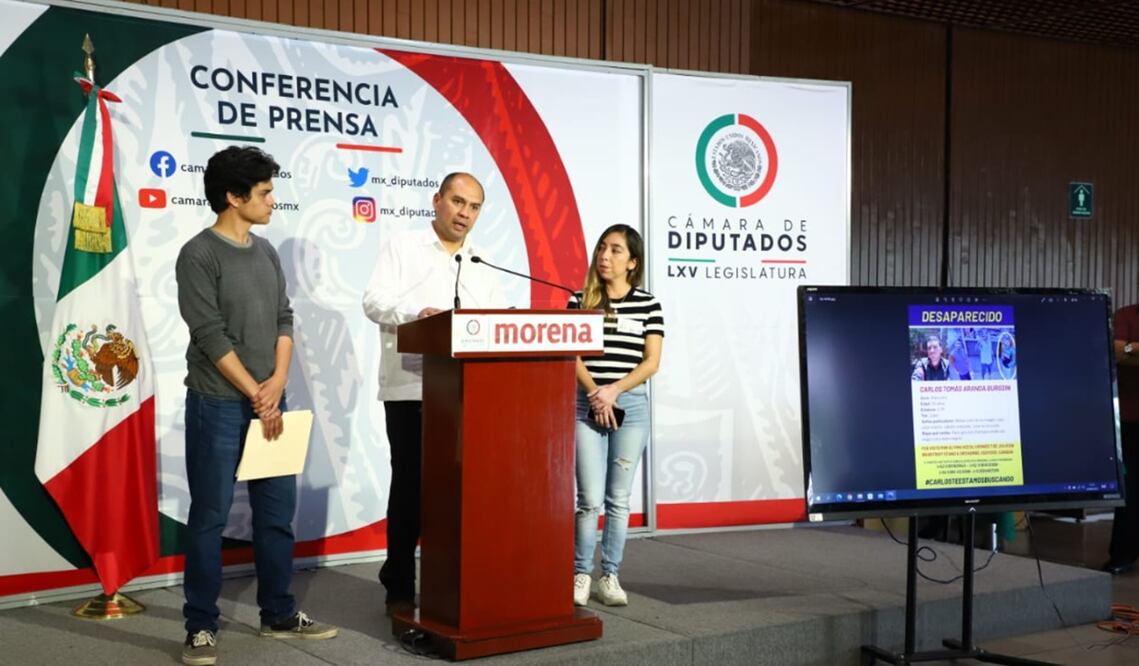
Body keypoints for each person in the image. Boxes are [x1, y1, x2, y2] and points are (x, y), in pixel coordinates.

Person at [176, 146, 337, 666]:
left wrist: (278, 382)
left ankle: (279, 613)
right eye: (265, 192)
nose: (273, 200)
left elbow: (284, 319)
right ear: (233, 196)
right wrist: (255, 392)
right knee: (209, 517)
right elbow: (208, 335)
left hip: (271, 400)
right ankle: (200, 626)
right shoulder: (198, 254)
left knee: (275, 517)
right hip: (218, 404)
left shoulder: (266, 252)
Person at [362, 172, 506, 615]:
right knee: (411, 486)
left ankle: (454, 580)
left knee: (458, 490)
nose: (465, 213)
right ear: (437, 200)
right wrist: (416, 315)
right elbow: (373, 301)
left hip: (466, 393)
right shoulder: (404, 246)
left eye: (474, 207)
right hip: (411, 387)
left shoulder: (482, 261)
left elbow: (499, 322)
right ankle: (399, 582)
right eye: (458, 202)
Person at [568, 224, 664, 607]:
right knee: (589, 498)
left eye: (616, 250)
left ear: (633, 262)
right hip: (586, 405)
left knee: (618, 498)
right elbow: (570, 355)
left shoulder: (649, 304)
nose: (605, 256)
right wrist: (595, 393)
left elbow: (651, 361)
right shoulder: (579, 300)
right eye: (602, 248)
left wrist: (614, 391)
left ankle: (609, 575)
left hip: (631, 406)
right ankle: (580, 574)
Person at [1105, 302, 1139, 575]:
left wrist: (1131, 348)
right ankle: (1122, 556)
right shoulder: (1126, 315)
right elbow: (1114, 351)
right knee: (1130, 490)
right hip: (1130, 420)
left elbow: (1124, 350)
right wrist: (1128, 350)